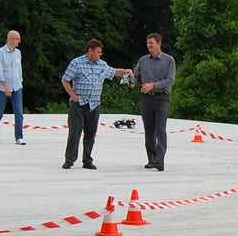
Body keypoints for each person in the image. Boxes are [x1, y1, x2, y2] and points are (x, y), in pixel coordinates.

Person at [60, 38, 131, 170]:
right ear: (90, 51)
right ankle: (69, 159)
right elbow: (65, 79)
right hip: (79, 104)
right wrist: (73, 95)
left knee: (91, 133)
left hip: (94, 104)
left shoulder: (101, 64)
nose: (100, 54)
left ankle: (87, 160)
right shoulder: (77, 63)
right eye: (98, 52)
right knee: (75, 132)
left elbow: (114, 71)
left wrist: (126, 71)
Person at [133, 32, 175, 170]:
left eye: (151, 43)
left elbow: (170, 80)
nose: (149, 45)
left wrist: (153, 85)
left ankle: (159, 160)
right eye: (147, 43)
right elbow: (136, 76)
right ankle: (151, 159)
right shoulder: (143, 61)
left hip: (162, 97)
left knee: (160, 129)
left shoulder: (169, 60)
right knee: (149, 130)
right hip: (147, 99)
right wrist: (131, 82)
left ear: (159, 44)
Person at [0, 30, 25, 145]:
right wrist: (5, 87)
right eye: (17, 39)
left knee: (19, 112)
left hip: (17, 86)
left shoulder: (18, 53)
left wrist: (20, 82)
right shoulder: (0, 53)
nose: (19, 42)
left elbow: (19, 69)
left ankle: (19, 137)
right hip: (2, 88)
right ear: (10, 39)